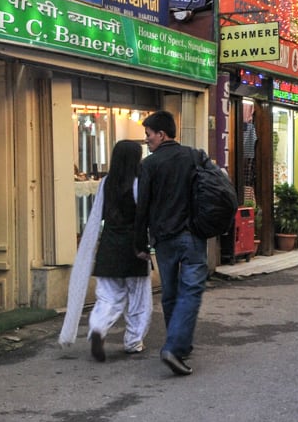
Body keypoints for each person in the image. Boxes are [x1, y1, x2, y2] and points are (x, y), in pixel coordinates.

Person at [133, 110, 209, 377]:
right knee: (190, 291)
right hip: (192, 235)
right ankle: (176, 347)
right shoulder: (193, 156)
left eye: (148, 135)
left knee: (170, 293)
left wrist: (140, 241)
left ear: (161, 134)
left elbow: (142, 207)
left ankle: (177, 344)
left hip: (163, 239)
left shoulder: (149, 165)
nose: (147, 141)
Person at [62, 139, 150, 361]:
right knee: (138, 298)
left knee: (108, 297)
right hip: (134, 248)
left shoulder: (105, 183)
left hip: (109, 246)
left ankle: (98, 328)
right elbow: (143, 218)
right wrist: (145, 245)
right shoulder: (140, 183)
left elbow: (96, 217)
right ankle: (133, 341)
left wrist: (90, 247)